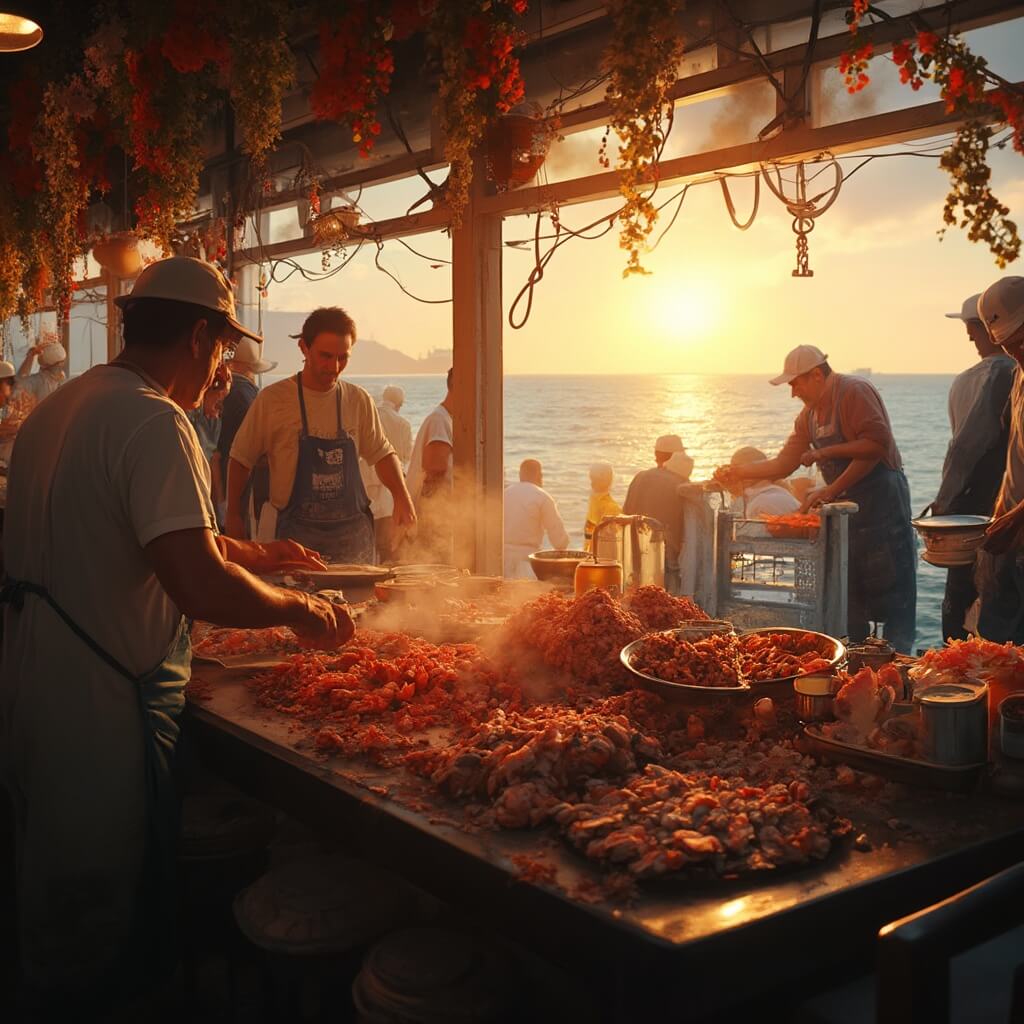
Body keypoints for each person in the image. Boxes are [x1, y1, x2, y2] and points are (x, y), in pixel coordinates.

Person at [0, 257, 352, 1015]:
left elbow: (159, 537)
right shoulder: (156, 420)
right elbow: (195, 582)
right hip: (97, 708)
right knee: (100, 910)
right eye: (222, 348)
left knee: (43, 887)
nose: (222, 365)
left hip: (29, 682)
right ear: (199, 336)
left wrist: (260, 554)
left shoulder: (64, 406)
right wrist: (301, 612)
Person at [714, 345, 917, 653]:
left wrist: (827, 467)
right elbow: (783, 463)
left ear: (818, 375)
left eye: (796, 383)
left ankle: (901, 664)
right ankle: (858, 659)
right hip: (846, 514)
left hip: (882, 509)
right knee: (849, 592)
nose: (793, 392)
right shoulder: (808, 416)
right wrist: (737, 471)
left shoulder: (854, 391)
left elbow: (876, 445)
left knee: (891, 592)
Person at [226, 307, 416, 564]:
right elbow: (241, 459)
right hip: (294, 542)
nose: (334, 367)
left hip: (353, 541)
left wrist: (402, 498)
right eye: (325, 356)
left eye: (343, 358)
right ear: (304, 347)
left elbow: (382, 453)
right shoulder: (273, 400)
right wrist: (233, 515)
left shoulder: (357, 400)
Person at [933, 292, 1015, 640]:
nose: (969, 337)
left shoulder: (968, 381)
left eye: (970, 328)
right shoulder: (1014, 373)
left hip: (972, 508)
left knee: (964, 601)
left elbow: (961, 451)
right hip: (1003, 507)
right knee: (1000, 605)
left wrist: (944, 507)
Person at [977, 277, 1024, 642]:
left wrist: (1018, 516)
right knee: (996, 653)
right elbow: (1016, 451)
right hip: (1011, 536)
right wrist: (1000, 507)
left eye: (1022, 340)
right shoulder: (1019, 373)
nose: (1018, 353)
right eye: (1009, 347)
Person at [216, 336, 276, 531]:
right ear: (250, 368)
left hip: (221, 478)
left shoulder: (221, 389)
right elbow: (257, 448)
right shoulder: (246, 396)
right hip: (241, 483)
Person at [623, 434, 691, 594]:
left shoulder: (638, 477)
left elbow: (625, 514)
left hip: (633, 556)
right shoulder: (681, 484)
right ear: (677, 456)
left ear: (656, 455)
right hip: (666, 562)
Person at [405, 368, 454, 564]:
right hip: (432, 518)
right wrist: (436, 523)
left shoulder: (445, 418)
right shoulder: (439, 420)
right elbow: (435, 469)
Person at [361, 384, 414, 561]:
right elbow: (406, 459)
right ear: (400, 404)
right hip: (390, 492)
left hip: (365, 488)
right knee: (388, 547)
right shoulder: (403, 424)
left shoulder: (369, 417)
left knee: (367, 546)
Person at [503, 459, 570, 577]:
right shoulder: (542, 497)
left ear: (520, 475)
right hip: (527, 563)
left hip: (501, 561)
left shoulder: (505, 494)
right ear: (539, 475)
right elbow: (559, 540)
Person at [187, 365, 232, 513]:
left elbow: (214, 457)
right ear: (208, 390)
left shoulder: (211, 421)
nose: (217, 412)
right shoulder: (187, 416)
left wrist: (220, 505)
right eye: (218, 403)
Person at [725, 447, 800, 518]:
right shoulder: (780, 492)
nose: (729, 476)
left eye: (733, 471)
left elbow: (742, 529)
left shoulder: (761, 503)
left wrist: (738, 496)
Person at [583, 461, 622, 553]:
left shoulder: (593, 500)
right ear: (610, 480)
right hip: (604, 557)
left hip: (588, 553)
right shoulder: (612, 508)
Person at [16, 336, 67, 405]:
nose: (62, 365)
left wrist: (30, 356)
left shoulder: (61, 378)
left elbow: (18, 383)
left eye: (63, 361)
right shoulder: (39, 380)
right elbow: (18, 385)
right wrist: (30, 357)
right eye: (60, 362)